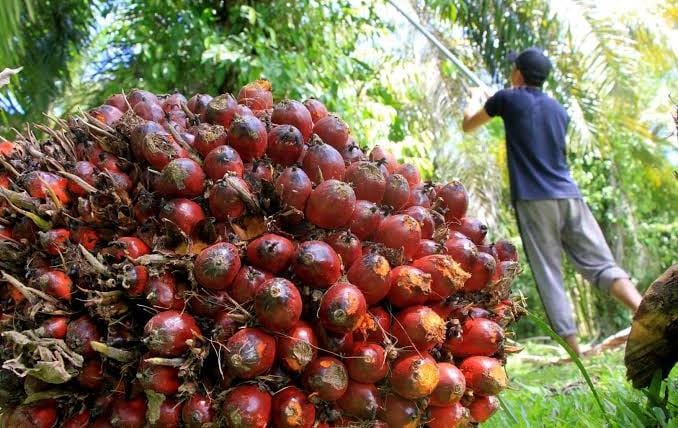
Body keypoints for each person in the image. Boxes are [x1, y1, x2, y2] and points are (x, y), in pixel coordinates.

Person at [461, 47, 642, 355]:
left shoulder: (506, 97)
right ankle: (646, 311)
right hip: (570, 196)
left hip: (535, 200)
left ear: (518, 72)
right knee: (601, 263)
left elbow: (468, 125)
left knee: (549, 272)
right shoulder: (559, 111)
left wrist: (474, 98)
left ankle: (575, 353)